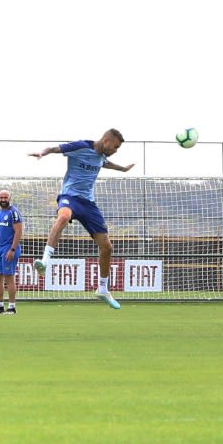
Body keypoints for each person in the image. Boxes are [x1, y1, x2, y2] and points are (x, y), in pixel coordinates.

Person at [29, 129, 135, 309]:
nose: (116, 150)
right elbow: (55, 149)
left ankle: (102, 289)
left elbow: (104, 163)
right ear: (107, 140)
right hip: (70, 196)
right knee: (63, 217)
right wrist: (42, 153)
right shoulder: (81, 146)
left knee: (107, 247)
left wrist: (123, 169)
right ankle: (45, 261)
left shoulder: (101, 156)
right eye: (115, 147)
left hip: (88, 204)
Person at [0, 189, 25, 314]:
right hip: (0, 248)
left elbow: (19, 231)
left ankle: (12, 307)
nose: (3, 200)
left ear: (9, 198)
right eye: (1, 198)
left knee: (8, 277)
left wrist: (13, 249)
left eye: (5, 198)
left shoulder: (14, 212)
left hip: (9, 248)